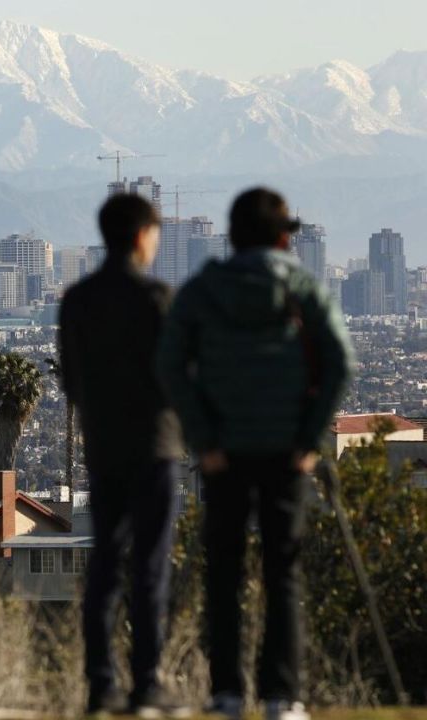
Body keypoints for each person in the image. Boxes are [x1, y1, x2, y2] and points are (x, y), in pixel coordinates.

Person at [158, 188, 353, 720]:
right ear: (284, 236)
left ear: (233, 235)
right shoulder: (302, 287)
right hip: (285, 452)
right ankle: (281, 697)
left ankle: (225, 694)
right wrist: (309, 438)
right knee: (282, 571)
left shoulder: (202, 291)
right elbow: (340, 361)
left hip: (225, 454)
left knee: (223, 571)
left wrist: (205, 439)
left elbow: (171, 364)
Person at [59, 194, 187, 718]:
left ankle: (100, 682)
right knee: (150, 567)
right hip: (155, 447)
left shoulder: (78, 299)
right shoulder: (159, 298)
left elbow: (71, 379)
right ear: (141, 237)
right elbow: (179, 375)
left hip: (104, 444)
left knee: (107, 563)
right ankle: (147, 683)